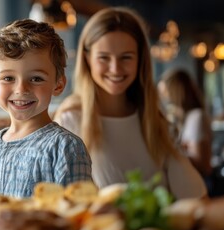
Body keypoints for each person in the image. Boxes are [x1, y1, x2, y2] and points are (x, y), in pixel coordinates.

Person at [53, 7, 207, 199]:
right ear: (87, 58)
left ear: (140, 60)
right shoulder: (69, 120)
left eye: (126, 57)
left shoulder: (155, 121)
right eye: (104, 58)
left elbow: (196, 195)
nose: (115, 69)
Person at [0, 19, 92, 198]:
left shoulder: (65, 148)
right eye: (8, 78)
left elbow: (77, 214)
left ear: (58, 85)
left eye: (36, 78)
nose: (21, 90)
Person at [158, 68, 213, 178]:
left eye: (165, 93)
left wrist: (171, 150)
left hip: (200, 180)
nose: (165, 100)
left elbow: (201, 163)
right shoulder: (182, 118)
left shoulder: (196, 117)